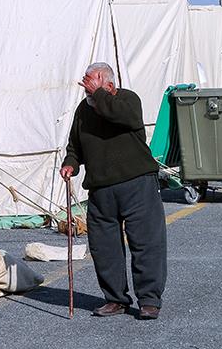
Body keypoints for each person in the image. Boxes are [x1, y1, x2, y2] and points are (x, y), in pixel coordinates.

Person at [59, 62, 166, 320]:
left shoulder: (127, 100)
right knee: (104, 248)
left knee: (146, 243)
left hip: (137, 183)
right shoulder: (84, 109)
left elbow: (123, 117)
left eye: (93, 88)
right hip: (101, 190)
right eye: (87, 90)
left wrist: (99, 95)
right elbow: (75, 145)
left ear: (109, 85)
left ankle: (149, 300)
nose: (89, 95)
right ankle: (115, 299)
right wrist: (70, 163)